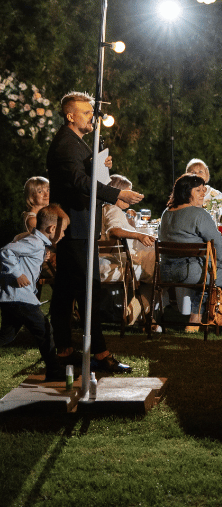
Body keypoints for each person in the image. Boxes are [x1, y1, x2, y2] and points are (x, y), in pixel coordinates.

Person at [46, 91, 141, 374]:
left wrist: (96, 166)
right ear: (70, 115)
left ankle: (63, 350)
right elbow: (76, 183)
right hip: (74, 225)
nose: (92, 117)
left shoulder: (76, 143)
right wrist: (116, 193)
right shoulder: (66, 144)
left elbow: (81, 175)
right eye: (86, 113)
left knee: (63, 290)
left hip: (78, 224)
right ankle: (100, 353)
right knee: (90, 290)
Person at [158, 173, 222, 332]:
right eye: (198, 190)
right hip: (191, 272)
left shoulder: (166, 213)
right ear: (186, 192)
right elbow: (220, 248)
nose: (204, 193)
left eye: (204, 190)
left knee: (207, 272)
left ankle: (195, 320)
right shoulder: (199, 214)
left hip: (166, 271)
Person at [1, 205, 69, 381]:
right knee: (44, 329)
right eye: (63, 231)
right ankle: (54, 370)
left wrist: (41, 257)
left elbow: (23, 255)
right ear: (52, 229)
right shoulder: (34, 242)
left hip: (13, 298)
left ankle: (54, 370)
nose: (63, 235)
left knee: (6, 335)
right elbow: (6, 251)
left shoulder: (38, 244)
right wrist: (17, 274)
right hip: (20, 297)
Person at [99, 175, 156, 282]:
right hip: (116, 262)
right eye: (128, 194)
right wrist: (139, 235)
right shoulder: (114, 210)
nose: (131, 198)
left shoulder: (103, 209)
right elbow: (113, 231)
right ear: (116, 193)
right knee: (156, 264)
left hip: (107, 259)